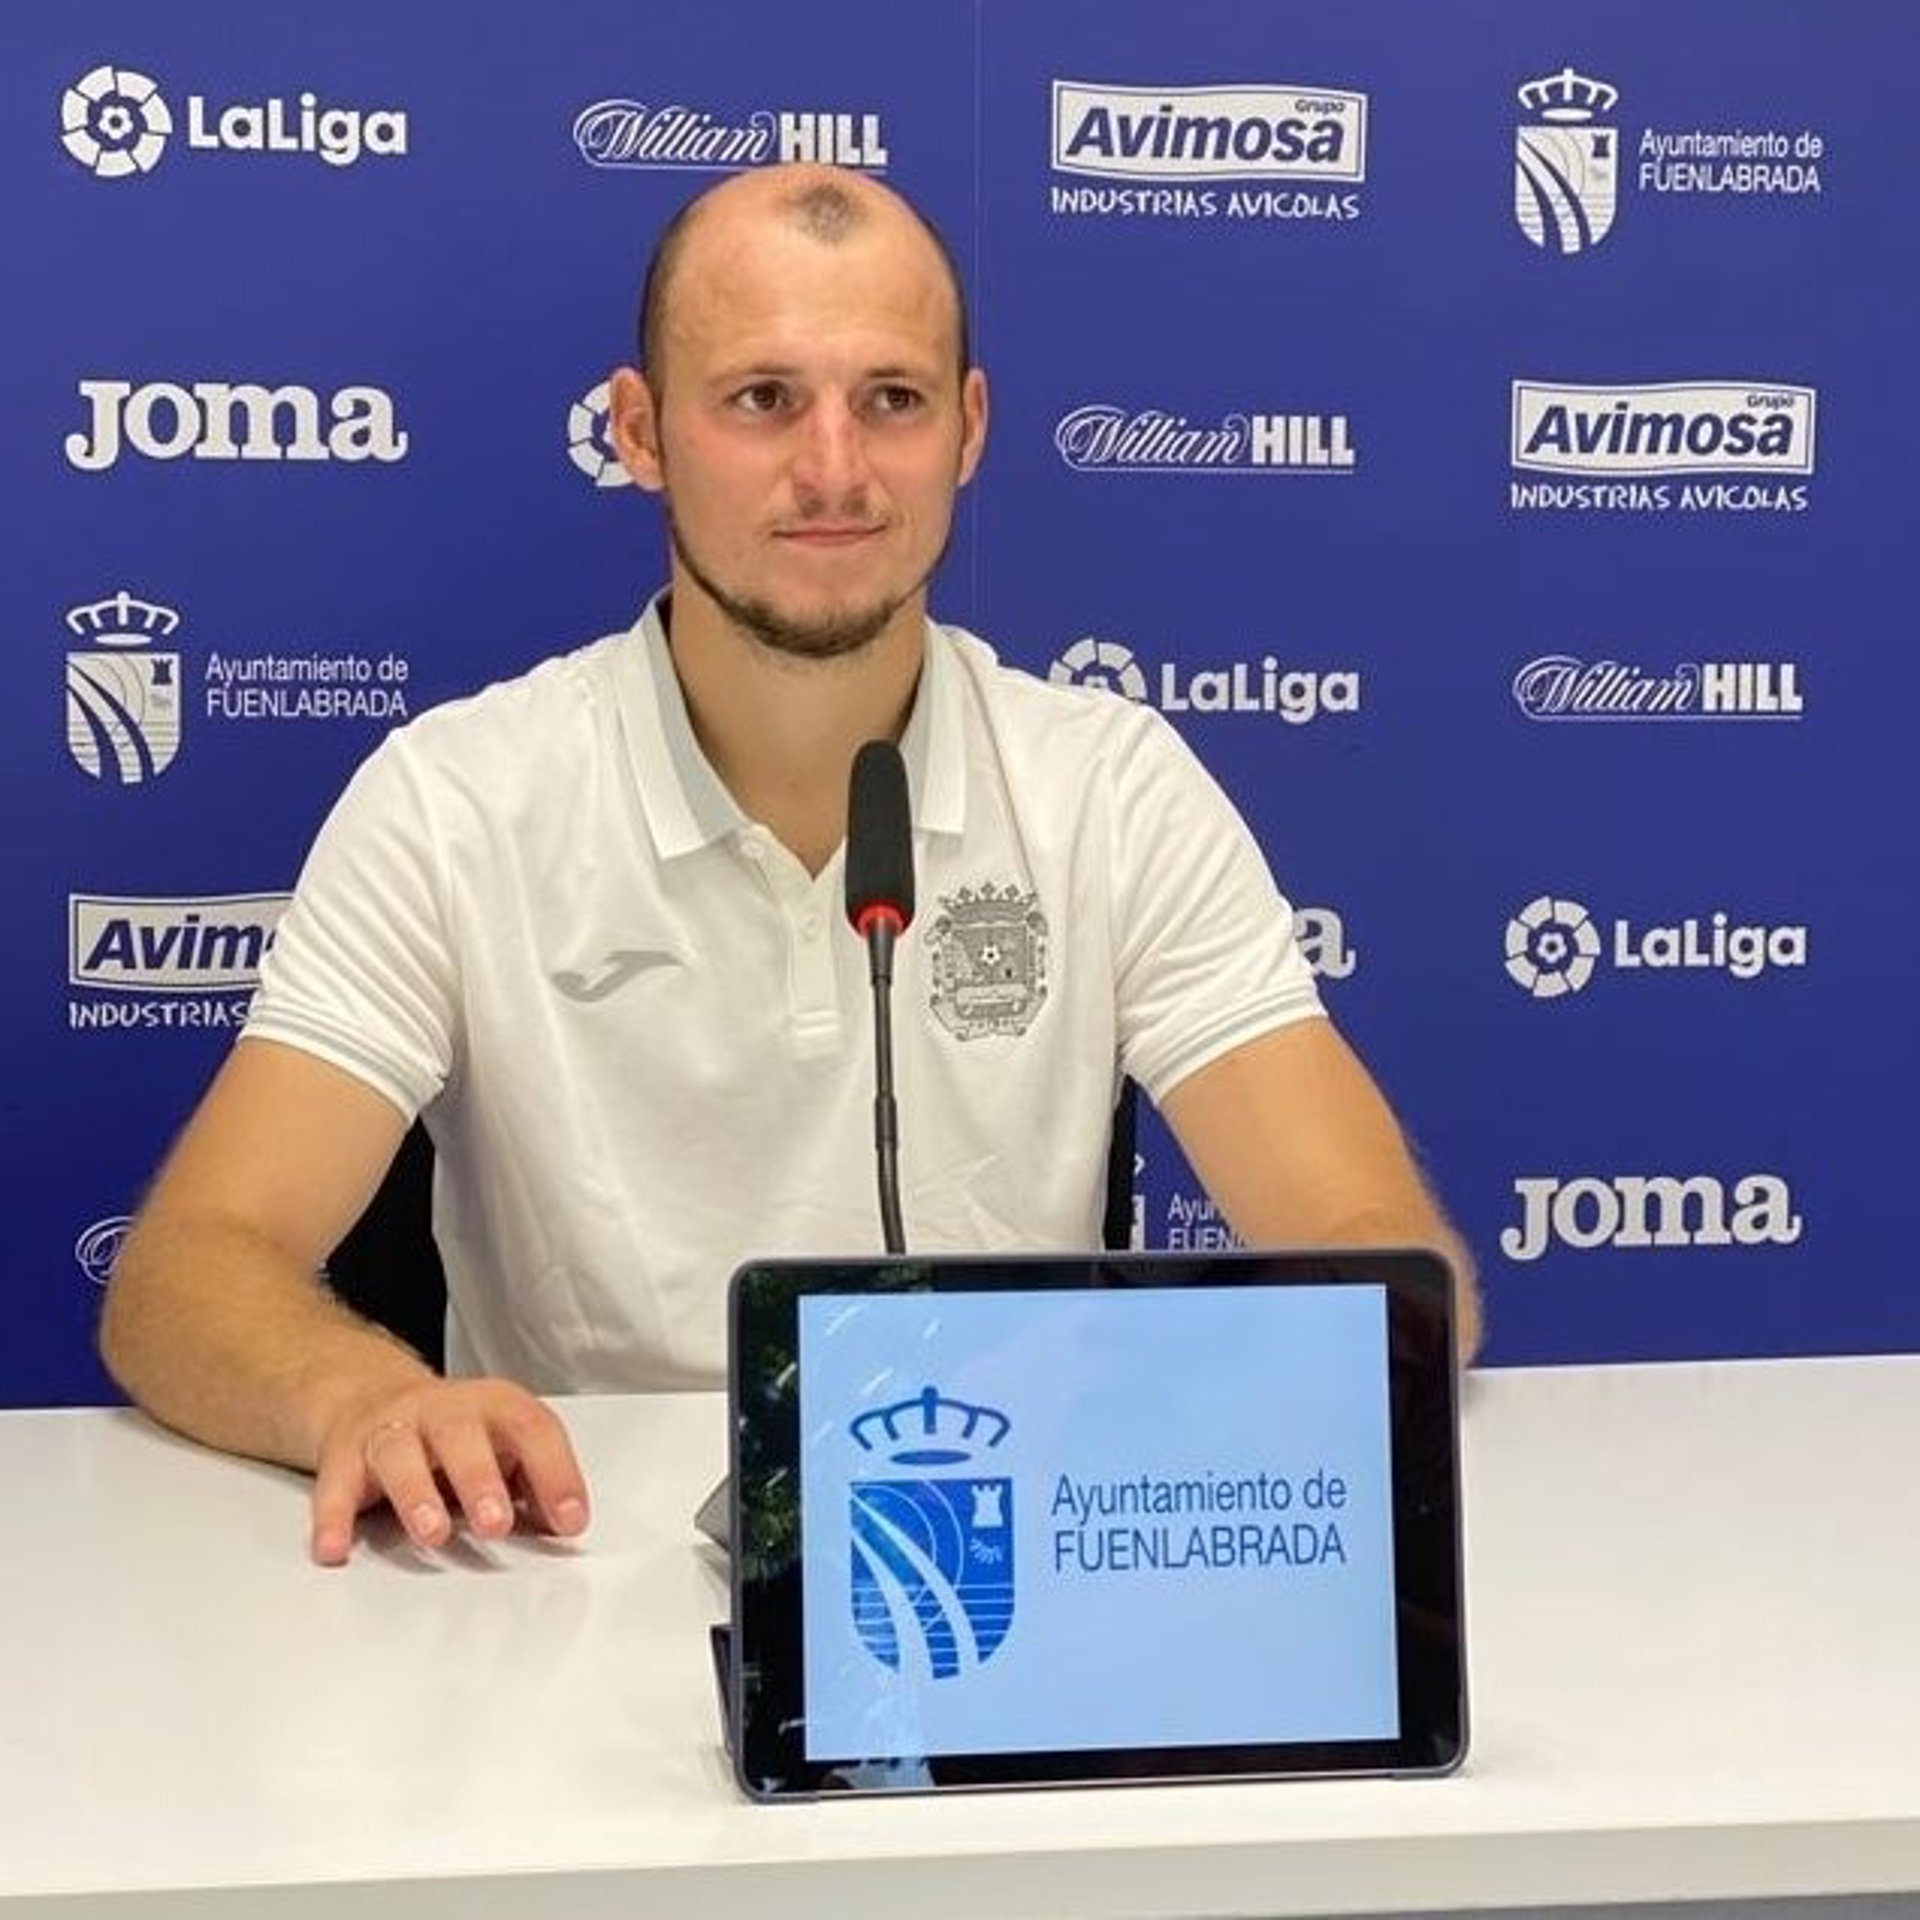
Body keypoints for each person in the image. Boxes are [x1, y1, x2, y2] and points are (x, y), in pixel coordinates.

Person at [100, 163, 1480, 1566]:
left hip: (999, 1558)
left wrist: (1207, 1407)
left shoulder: (1111, 789)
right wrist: (366, 1395)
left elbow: (1387, 1257)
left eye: (894, 400)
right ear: (640, 432)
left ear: (970, 428)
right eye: (762, 399)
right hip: (562, 1571)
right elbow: (186, 1269)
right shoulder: (455, 800)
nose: (834, 470)